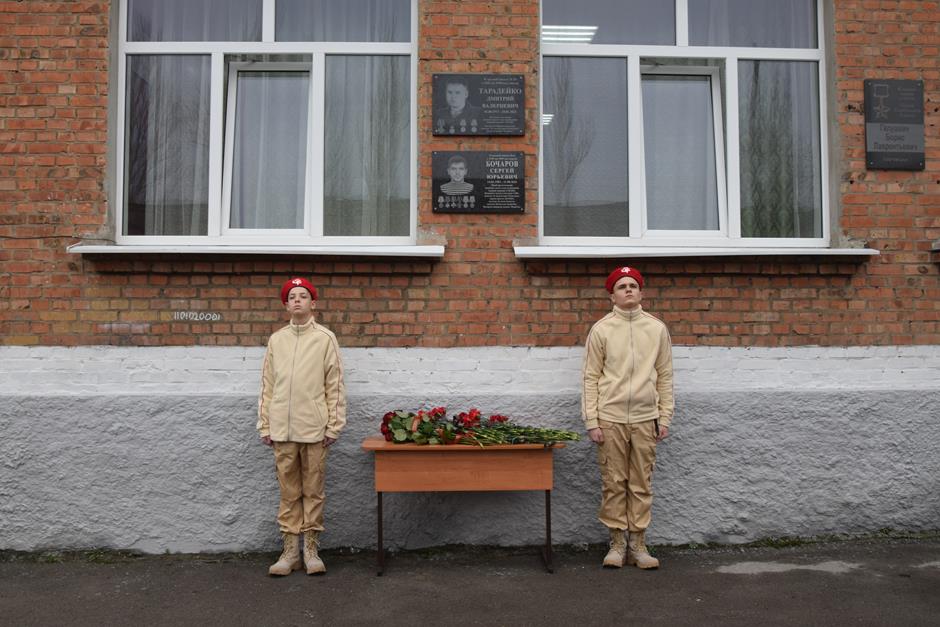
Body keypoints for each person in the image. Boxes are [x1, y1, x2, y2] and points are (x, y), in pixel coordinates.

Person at [581, 266, 674, 570]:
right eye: (622, 287)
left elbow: (665, 376)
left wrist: (664, 416)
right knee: (613, 482)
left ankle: (639, 545)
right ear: (612, 296)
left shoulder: (656, 329)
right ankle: (617, 544)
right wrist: (592, 420)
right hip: (611, 418)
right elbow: (590, 377)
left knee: (641, 484)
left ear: (641, 292)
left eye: (633, 285)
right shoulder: (602, 330)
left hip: (646, 418)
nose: (628, 290)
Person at [257, 277, 346, 576]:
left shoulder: (325, 338)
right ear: (286, 305)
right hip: (282, 430)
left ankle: (311, 550)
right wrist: (265, 423)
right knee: (289, 492)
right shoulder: (277, 340)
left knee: (313, 491)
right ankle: (289, 552)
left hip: (314, 429)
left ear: (313, 303)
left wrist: (334, 425)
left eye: (303, 296)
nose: (297, 300)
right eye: (292, 296)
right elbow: (267, 385)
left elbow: (335, 384)